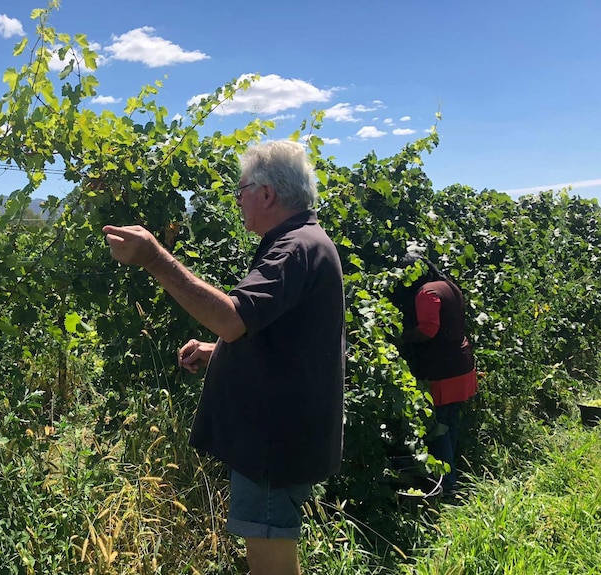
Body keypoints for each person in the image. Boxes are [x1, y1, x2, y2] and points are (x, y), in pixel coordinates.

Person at [103, 140, 345, 575]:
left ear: (267, 194)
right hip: (283, 437)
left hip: (274, 445)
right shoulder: (305, 242)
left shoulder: (293, 249)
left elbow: (234, 320)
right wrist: (223, 353)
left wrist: (155, 259)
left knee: (271, 568)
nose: (238, 199)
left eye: (242, 189)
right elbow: (288, 338)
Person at [390, 251, 478, 492]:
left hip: (444, 369)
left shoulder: (426, 292)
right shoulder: (448, 285)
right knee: (450, 422)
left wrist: (402, 339)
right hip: (461, 364)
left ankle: (446, 485)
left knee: (438, 427)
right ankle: (453, 477)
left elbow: (428, 330)